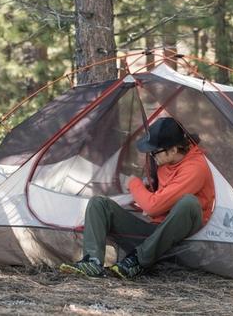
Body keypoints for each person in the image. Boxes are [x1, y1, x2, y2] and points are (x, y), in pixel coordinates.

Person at [60, 117, 215, 279]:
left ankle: (137, 261)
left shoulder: (196, 168)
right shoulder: (165, 164)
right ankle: (92, 261)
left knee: (188, 203)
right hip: (155, 233)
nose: (152, 155)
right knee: (98, 204)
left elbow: (152, 207)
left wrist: (134, 184)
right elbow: (156, 207)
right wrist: (148, 191)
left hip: (181, 237)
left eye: (155, 151)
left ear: (174, 150)